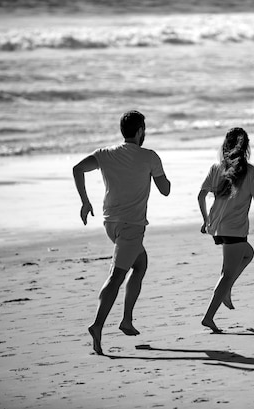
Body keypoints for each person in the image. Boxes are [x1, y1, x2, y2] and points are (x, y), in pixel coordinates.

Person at [73, 110, 171, 355]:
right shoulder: (149, 157)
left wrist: (85, 202)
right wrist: (157, 175)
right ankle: (97, 326)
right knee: (116, 277)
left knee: (140, 263)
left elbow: (77, 169)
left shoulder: (105, 154)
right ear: (140, 131)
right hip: (131, 226)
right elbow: (166, 190)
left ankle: (126, 320)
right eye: (144, 129)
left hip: (111, 224)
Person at [198, 127, 254, 333]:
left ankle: (226, 291)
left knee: (248, 254)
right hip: (235, 229)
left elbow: (201, 196)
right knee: (228, 274)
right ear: (246, 148)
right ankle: (209, 317)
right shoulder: (251, 172)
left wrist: (205, 221)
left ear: (225, 146)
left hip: (218, 227)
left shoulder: (216, 168)